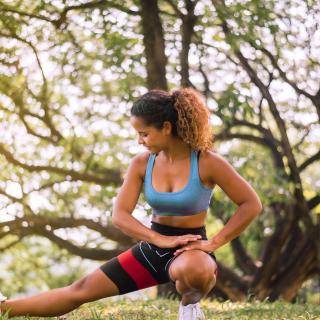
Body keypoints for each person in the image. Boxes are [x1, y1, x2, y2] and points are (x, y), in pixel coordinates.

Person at [0, 88, 262, 320]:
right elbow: (120, 215)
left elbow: (250, 204)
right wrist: (159, 240)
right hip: (152, 247)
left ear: (167, 128)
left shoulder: (207, 162)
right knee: (80, 290)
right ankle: (5, 308)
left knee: (196, 270)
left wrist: (213, 243)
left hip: (189, 249)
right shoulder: (141, 163)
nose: (140, 141)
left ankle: (190, 311)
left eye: (144, 134)